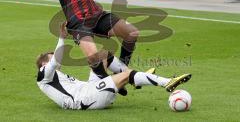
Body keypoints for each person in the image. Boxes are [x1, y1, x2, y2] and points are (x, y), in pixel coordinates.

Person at [36, 23, 192, 110]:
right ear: (44, 64)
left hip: (89, 90)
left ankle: (133, 78)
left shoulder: (53, 78)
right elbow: (56, 61)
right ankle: (166, 82)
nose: (57, 63)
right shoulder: (43, 75)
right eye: (49, 60)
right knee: (125, 75)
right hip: (86, 99)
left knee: (103, 55)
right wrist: (61, 38)